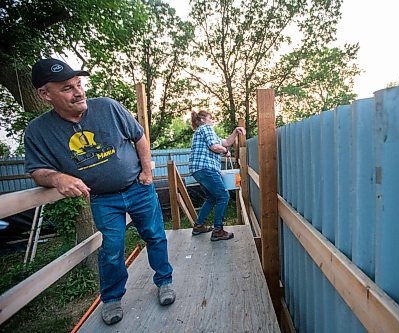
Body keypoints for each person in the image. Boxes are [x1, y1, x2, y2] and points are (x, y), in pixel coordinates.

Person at [24, 58, 175, 325]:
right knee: (113, 248)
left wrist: (147, 173)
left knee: (155, 236)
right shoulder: (38, 131)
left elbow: (139, 136)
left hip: (138, 188)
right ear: (45, 94)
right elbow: (37, 170)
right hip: (103, 199)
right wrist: (57, 177)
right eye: (67, 88)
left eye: (79, 84)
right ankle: (112, 298)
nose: (79, 91)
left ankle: (164, 281)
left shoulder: (107, 107)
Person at [189, 111, 246, 241]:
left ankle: (199, 226)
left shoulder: (203, 131)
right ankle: (218, 230)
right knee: (223, 196)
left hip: (198, 170)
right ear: (203, 120)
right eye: (210, 118)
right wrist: (225, 151)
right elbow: (215, 147)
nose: (212, 120)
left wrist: (235, 132)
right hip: (206, 168)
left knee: (211, 198)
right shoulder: (206, 128)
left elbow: (225, 142)